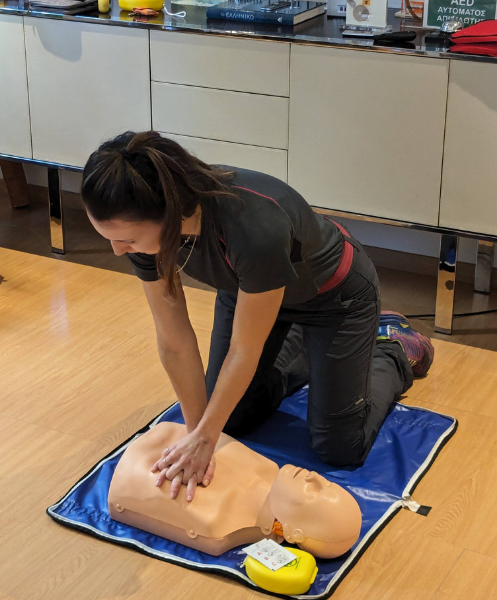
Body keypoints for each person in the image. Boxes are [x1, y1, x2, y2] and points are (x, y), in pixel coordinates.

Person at [81, 130, 434, 503]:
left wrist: (204, 439)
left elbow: (243, 350)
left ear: (168, 216)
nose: (118, 251)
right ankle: (311, 347)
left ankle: (391, 345)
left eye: (128, 241)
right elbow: (174, 341)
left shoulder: (252, 225)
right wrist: (197, 432)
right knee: (227, 420)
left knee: (339, 446)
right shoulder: (141, 234)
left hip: (333, 300)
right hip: (247, 294)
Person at [108, 421, 362, 558]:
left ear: (295, 533)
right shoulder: (267, 468)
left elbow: (130, 488)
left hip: (132, 468)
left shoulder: (218, 523)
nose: (315, 477)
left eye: (317, 492)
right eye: (328, 482)